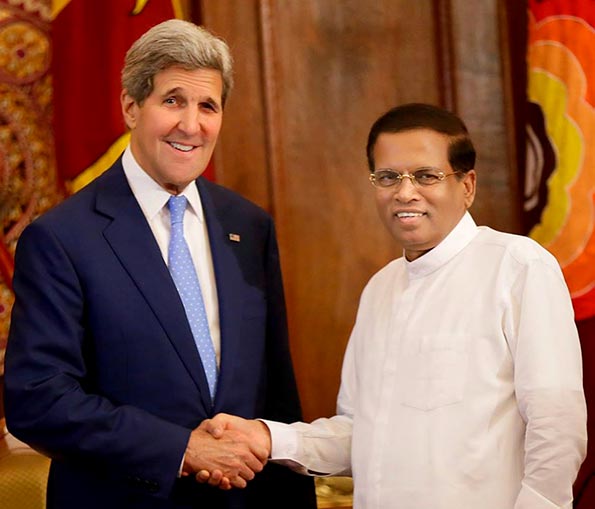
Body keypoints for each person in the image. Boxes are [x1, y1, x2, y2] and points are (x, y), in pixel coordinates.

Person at [200, 103, 588, 508]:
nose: (405, 192)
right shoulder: (380, 289)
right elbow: (358, 433)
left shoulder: (517, 265)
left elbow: (556, 424)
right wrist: (266, 437)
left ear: (467, 185)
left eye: (426, 176)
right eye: (388, 177)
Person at [3, 19, 315, 509]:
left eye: (207, 106)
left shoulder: (248, 226)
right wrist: (183, 449)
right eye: (173, 101)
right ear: (131, 106)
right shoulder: (62, 238)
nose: (191, 125)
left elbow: (277, 395)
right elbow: (38, 400)